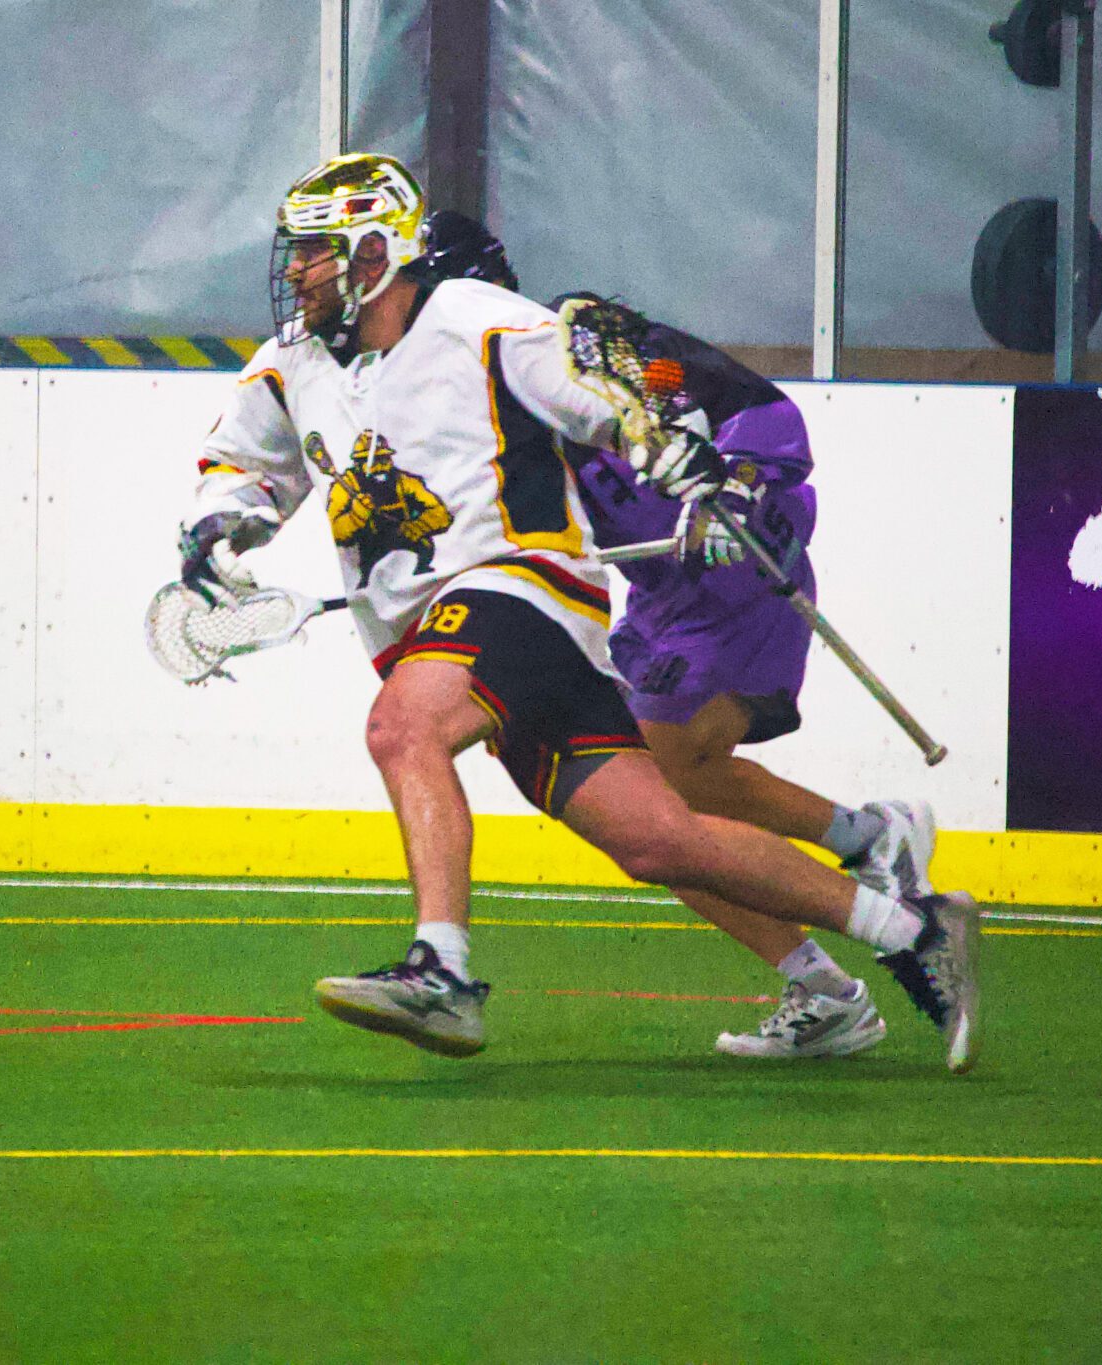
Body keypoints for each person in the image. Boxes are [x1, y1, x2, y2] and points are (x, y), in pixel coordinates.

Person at [176, 152, 980, 1073]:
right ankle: (913, 929)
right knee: (660, 839)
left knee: (402, 729)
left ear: (372, 252)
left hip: (522, 592)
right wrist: (217, 527)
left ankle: (441, 968)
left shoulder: (474, 317)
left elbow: (594, 394)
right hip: (458, 638)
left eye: (312, 252)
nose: (293, 271)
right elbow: (243, 467)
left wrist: (659, 441)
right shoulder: (289, 368)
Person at [407, 209, 940, 1060]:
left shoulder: (592, 348)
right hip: (658, 601)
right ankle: (855, 872)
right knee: (659, 813)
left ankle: (845, 931)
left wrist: (739, 489)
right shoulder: (472, 401)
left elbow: (755, 409)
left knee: (661, 791)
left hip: (740, 579)